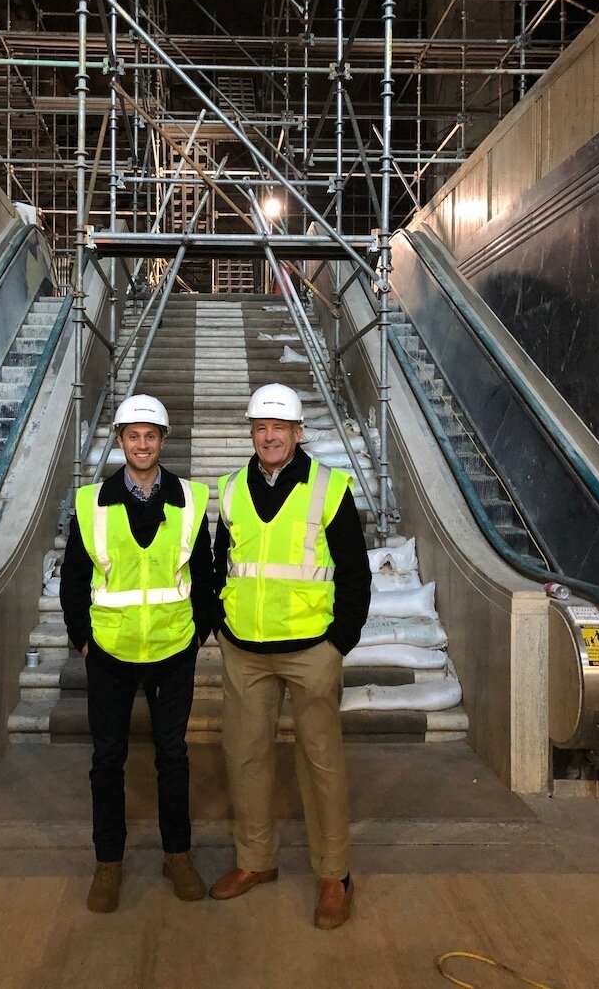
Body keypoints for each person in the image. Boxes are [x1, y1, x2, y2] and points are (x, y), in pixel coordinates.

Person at [210, 383, 371, 929]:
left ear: (299, 433)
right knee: (245, 758)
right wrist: (221, 627)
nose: (269, 435)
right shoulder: (232, 488)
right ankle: (256, 861)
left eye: (279, 427)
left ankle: (334, 875)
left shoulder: (329, 488)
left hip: (311, 651)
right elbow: (219, 563)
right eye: (260, 427)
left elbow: (355, 572)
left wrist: (338, 644)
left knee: (322, 764)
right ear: (252, 432)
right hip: (245, 651)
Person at [60, 393, 214, 913]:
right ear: (121, 441)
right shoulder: (90, 502)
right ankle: (109, 863)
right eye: (133, 436)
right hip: (110, 652)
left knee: (172, 757)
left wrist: (200, 632)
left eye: (151, 436)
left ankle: (177, 855)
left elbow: (207, 571)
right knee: (108, 759)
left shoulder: (190, 499)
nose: (142, 444)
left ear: (162, 441)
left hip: (174, 648)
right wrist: (82, 636)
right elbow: (75, 578)